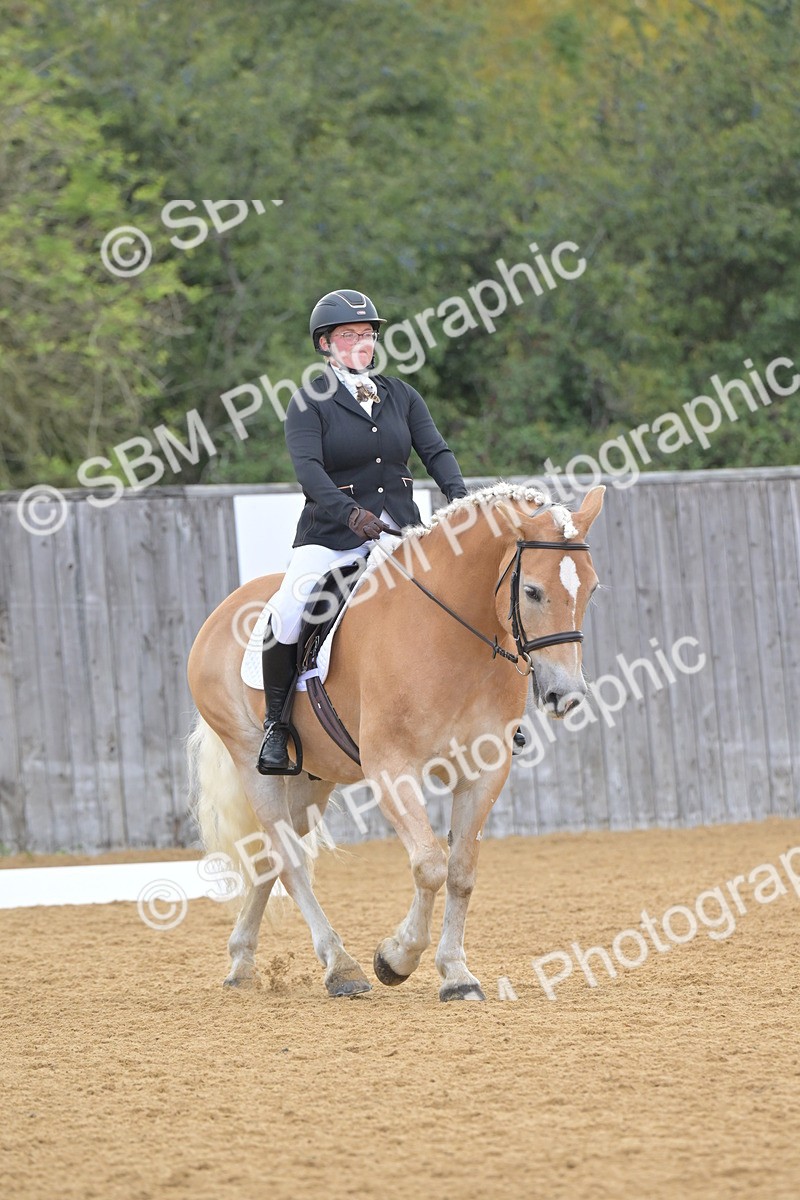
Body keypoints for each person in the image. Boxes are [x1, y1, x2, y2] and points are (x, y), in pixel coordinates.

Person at [257, 288, 469, 773]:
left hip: (403, 532)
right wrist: (350, 514)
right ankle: (276, 725)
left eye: (367, 334)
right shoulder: (310, 402)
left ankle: (480, 708)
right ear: (326, 345)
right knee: (287, 612)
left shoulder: (401, 395)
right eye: (348, 335)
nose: (361, 343)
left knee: (465, 594)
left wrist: (460, 500)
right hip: (332, 535)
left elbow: (435, 452)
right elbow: (309, 471)